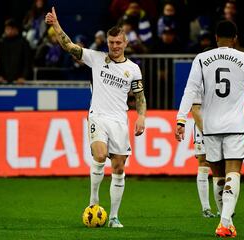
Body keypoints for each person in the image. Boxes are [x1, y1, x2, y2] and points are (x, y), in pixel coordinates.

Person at [45, 7, 147, 228]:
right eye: (111, 43)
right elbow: (68, 45)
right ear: (107, 43)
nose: (114, 46)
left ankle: (113, 217)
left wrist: (141, 116)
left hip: (120, 120)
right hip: (98, 116)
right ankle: (93, 203)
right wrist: (56, 25)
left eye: (118, 42)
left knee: (119, 168)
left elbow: (139, 96)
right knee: (100, 156)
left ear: (125, 43)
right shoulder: (96, 58)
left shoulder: (133, 69)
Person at [175, 20, 244, 237]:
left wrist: (180, 119)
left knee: (217, 175)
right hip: (235, 124)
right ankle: (225, 222)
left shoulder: (202, 59)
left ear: (216, 38)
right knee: (234, 170)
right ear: (235, 38)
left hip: (210, 127)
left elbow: (190, 89)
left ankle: (225, 220)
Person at [190, 94, 216, 218]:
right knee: (204, 163)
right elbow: (195, 110)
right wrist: (204, 130)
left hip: (220, 125)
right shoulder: (198, 83)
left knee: (222, 165)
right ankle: (206, 208)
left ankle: (223, 208)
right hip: (202, 127)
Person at [0, 19, 32, 85]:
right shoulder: (1, 43)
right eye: (7, 29)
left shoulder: (23, 43)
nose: (10, 31)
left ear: (17, 30)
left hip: (19, 81)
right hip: (3, 81)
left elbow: (27, 62)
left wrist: (23, 76)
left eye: (12, 29)